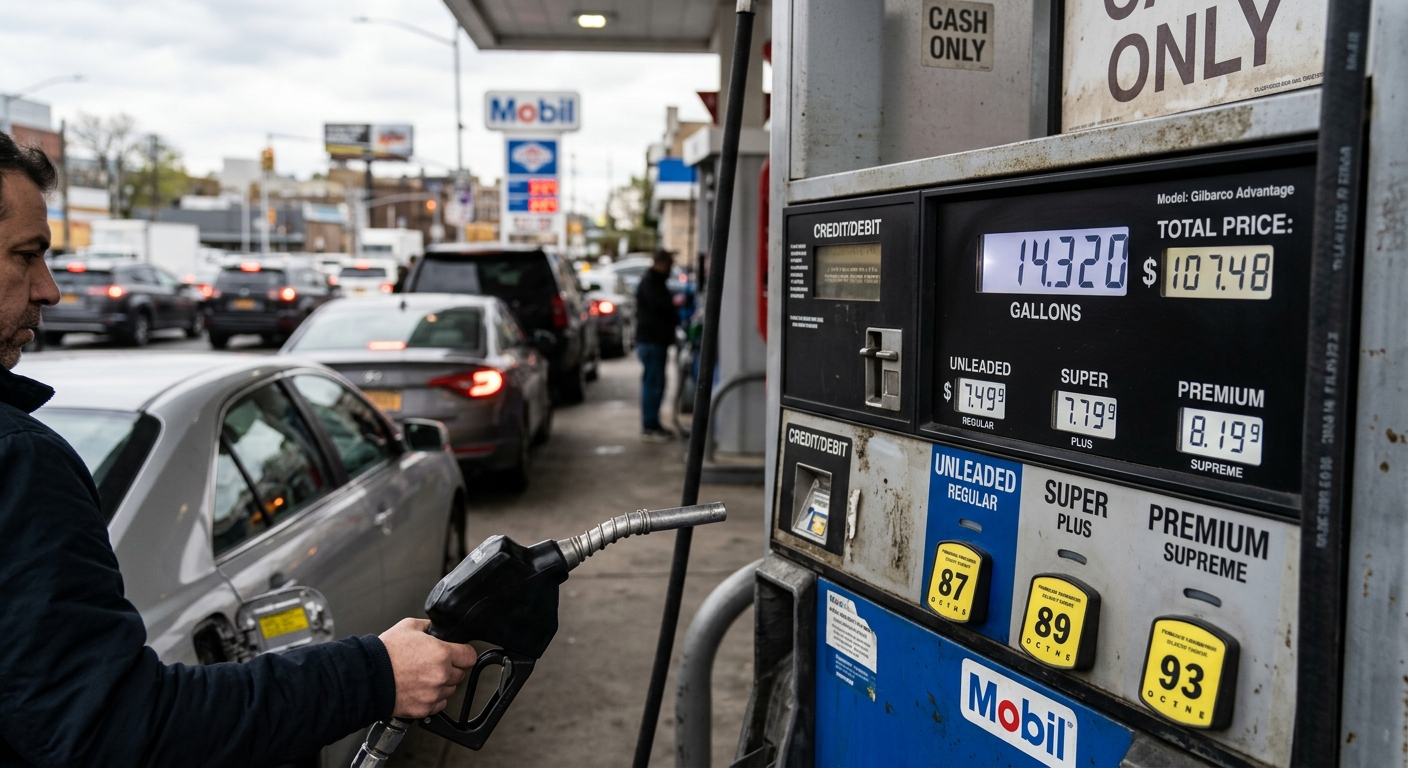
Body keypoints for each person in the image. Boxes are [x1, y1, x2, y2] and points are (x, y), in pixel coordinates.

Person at [0, 132, 476, 766]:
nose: (50, 289)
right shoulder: (21, 461)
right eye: (27, 255)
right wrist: (375, 673)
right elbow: (110, 728)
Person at [635, 250, 678, 442]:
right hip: (652, 341)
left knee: (654, 383)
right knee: (653, 384)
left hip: (655, 341)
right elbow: (662, 308)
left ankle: (652, 423)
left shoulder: (655, 281)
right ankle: (650, 425)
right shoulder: (652, 282)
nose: (671, 268)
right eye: (669, 263)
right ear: (659, 263)